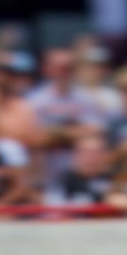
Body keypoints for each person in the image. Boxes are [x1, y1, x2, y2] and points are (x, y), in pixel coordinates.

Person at [28, 49, 102, 191]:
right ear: (47, 69)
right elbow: (35, 138)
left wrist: (55, 133)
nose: (64, 72)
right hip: (46, 171)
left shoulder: (85, 98)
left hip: (78, 173)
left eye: (69, 68)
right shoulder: (35, 99)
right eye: (60, 68)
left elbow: (94, 132)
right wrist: (74, 133)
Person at [55, 135, 113, 204]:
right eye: (86, 152)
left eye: (97, 152)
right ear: (75, 155)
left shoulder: (114, 179)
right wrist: (106, 198)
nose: (91, 157)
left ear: (106, 155)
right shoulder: (63, 181)